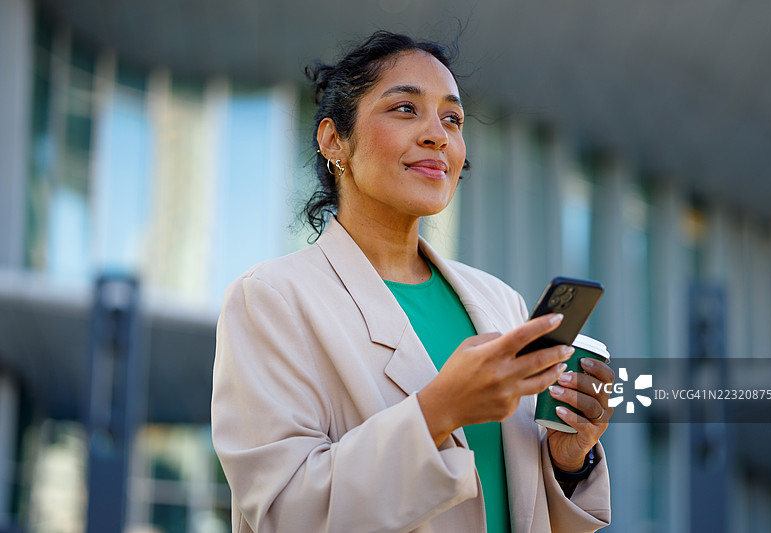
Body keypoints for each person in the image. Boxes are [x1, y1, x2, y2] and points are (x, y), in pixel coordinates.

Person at [211, 30, 614, 533]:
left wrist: (567, 461)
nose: (437, 135)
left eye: (453, 118)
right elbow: (285, 512)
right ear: (334, 139)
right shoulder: (270, 300)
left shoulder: (501, 303)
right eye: (405, 109)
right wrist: (438, 410)